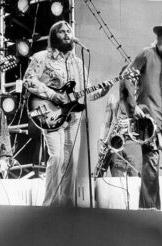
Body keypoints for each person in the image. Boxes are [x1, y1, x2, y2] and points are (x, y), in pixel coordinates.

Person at [23, 20, 109, 207]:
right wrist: (53, 94)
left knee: (71, 161)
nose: (67, 34)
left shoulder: (78, 63)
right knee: (57, 157)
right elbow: (29, 81)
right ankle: (50, 205)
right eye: (62, 31)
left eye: (69, 31)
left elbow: (85, 92)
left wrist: (102, 90)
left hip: (73, 116)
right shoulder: (41, 57)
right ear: (54, 36)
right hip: (49, 113)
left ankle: (67, 204)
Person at [122, 17, 162, 210]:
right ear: (159, 36)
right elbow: (126, 78)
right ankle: (149, 209)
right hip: (148, 123)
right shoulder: (146, 54)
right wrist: (134, 109)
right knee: (151, 166)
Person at [96, 87, 142, 178]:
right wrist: (100, 141)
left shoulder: (142, 95)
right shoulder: (113, 96)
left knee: (136, 182)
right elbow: (106, 122)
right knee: (117, 183)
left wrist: (131, 122)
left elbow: (148, 122)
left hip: (134, 143)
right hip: (116, 144)